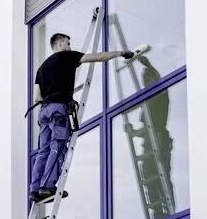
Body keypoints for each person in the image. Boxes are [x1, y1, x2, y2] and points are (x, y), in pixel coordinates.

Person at [29, 32, 132, 201]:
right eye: (68, 43)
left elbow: (36, 98)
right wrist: (120, 53)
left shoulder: (41, 68)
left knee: (43, 150)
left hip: (44, 112)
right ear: (60, 44)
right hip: (58, 109)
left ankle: (34, 189)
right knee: (58, 146)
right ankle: (47, 186)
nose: (70, 47)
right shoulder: (67, 56)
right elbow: (98, 57)